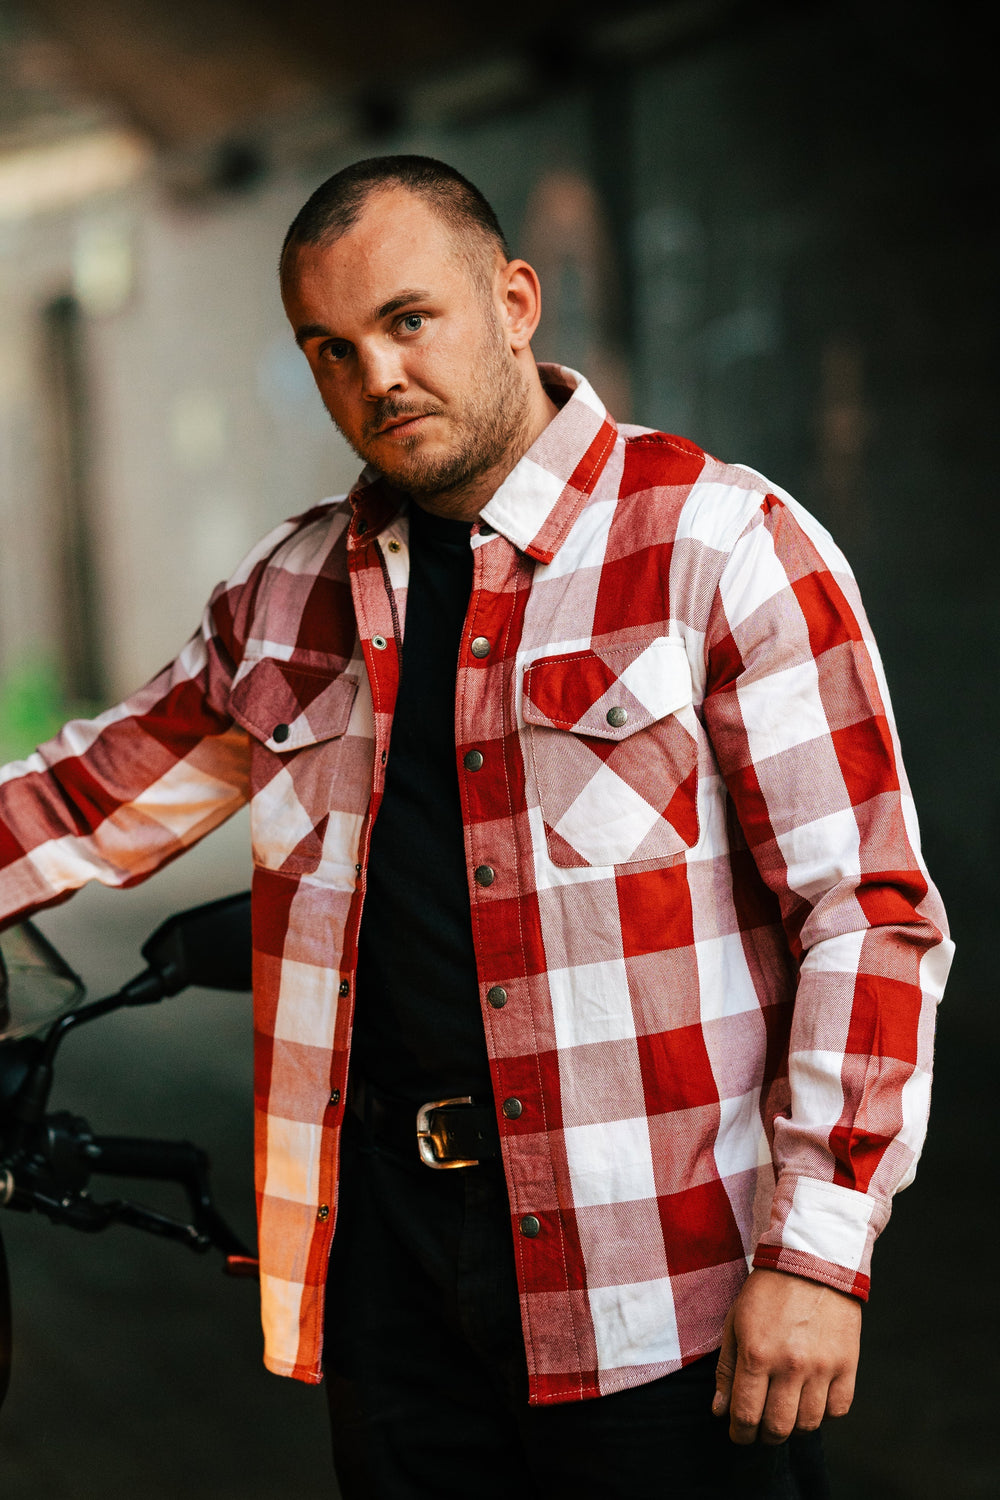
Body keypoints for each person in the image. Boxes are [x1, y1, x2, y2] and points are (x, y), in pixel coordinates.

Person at [0, 156, 951, 1498]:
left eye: (409, 321)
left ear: (513, 301)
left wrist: (817, 1254)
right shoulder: (285, 595)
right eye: (331, 349)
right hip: (388, 1280)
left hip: (657, 1278)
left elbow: (867, 914)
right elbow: (81, 799)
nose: (376, 379)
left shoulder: (717, 544)